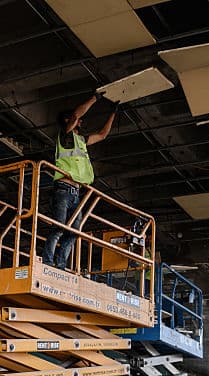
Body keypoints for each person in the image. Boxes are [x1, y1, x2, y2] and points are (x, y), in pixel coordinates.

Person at [44, 92, 118, 270]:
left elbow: (102, 135)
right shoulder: (65, 136)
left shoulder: (81, 141)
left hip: (76, 193)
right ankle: (48, 261)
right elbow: (77, 115)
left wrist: (113, 112)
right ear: (68, 121)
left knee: (74, 232)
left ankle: (60, 264)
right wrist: (95, 98)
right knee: (59, 228)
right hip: (62, 188)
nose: (81, 122)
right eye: (76, 120)